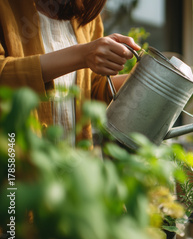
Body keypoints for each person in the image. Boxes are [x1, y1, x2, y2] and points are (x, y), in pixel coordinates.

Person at [0, 0, 140, 145]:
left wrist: (145, 83)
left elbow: (90, 89)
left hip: (73, 161)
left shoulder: (83, 14)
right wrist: (82, 55)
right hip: (15, 157)